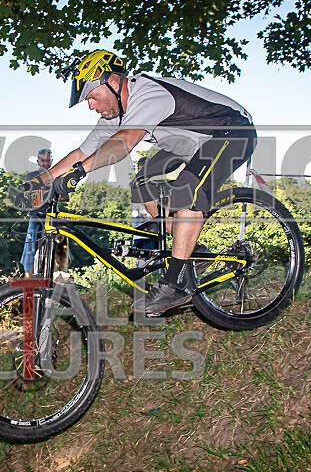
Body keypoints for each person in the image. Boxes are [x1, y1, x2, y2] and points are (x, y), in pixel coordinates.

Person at [27, 49, 257, 315]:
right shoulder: (113, 117)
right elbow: (81, 153)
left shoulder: (148, 93)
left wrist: (80, 172)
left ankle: (175, 285)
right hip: (190, 146)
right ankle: (192, 249)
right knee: (142, 181)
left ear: (113, 83)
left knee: (187, 187)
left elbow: (125, 142)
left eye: (92, 97)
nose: (91, 106)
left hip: (232, 132)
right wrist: (41, 181)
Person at [20, 149, 53, 277]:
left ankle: (55, 273)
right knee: (30, 240)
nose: (45, 163)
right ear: (38, 161)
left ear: (51, 161)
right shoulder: (32, 176)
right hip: (36, 214)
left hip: (52, 215)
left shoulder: (56, 175)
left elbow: (65, 197)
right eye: (43, 160)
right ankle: (28, 274)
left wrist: (45, 194)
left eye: (48, 160)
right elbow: (30, 197)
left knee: (59, 241)